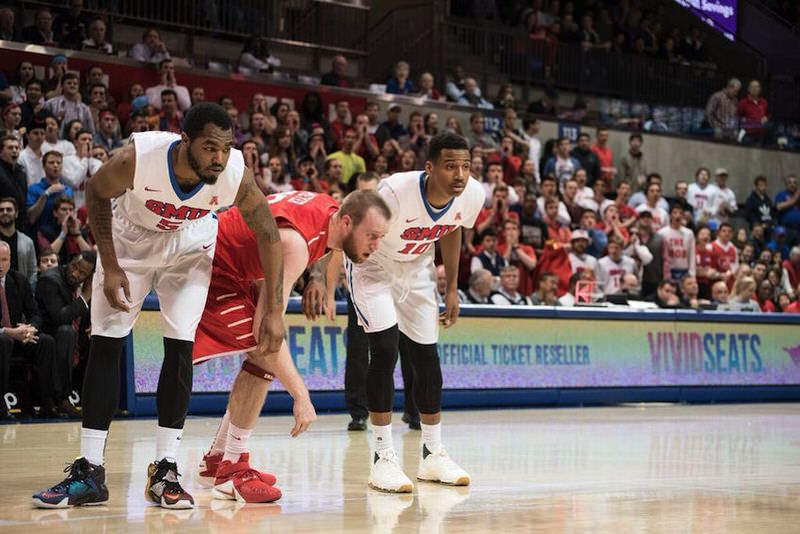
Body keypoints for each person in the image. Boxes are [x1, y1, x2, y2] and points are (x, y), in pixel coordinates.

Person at [32, 103, 286, 509]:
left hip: (190, 246)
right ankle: (90, 470)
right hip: (130, 243)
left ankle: (165, 470)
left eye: (224, 148)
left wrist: (274, 310)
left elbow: (270, 236)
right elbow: (96, 192)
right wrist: (109, 264)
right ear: (184, 141)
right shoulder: (140, 158)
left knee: (180, 346)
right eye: (208, 148)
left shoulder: (234, 173)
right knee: (107, 342)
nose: (218, 158)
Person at [193, 189, 390, 502]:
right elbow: (266, 335)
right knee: (263, 350)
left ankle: (218, 458)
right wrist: (301, 395)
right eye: (373, 236)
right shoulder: (298, 245)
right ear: (347, 222)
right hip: (210, 267)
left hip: (227, 252)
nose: (376, 246)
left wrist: (321, 278)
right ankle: (231, 467)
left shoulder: (329, 208)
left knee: (264, 351)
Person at [342, 132, 483, 492]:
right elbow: (349, 222)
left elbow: (451, 229)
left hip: (418, 267)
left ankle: (433, 454)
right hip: (372, 265)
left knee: (427, 358)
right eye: (450, 166)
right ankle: (382, 457)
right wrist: (329, 277)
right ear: (430, 167)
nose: (460, 175)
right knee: (385, 349)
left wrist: (451, 287)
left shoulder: (472, 195)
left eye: (466, 167)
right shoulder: (394, 192)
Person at [0, 241, 61, 419]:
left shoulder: (19, 280)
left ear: (10, 261)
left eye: (3, 259)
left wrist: (29, 329)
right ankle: (1, 406)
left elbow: (35, 313)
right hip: (3, 337)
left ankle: (47, 402)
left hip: (20, 337)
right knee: (2, 341)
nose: (0, 264)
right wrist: (8, 332)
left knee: (46, 342)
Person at [35, 251, 96, 417]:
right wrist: (85, 297)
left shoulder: (93, 283)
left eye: (82, 273)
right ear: (70, 261)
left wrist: (97, 324)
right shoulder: (50, 279)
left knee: (104, 337)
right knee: (66, 332)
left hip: (77, 336)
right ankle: (62, 398)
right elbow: (60, 317)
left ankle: (100, 402)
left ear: (90, 276)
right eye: (74, 267)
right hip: (50, 334)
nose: (75, 273)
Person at [27, 151, 75, 234]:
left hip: (64, 236)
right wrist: (46, 194)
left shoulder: (68, 190)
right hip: (40, 237)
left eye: (58, 163)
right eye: (51, 162)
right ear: (44, 166)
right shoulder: (33, 189)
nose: (55, 165)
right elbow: (31, 218)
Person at [0, 197, 36, 283]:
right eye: (1, 210)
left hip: (21, 291)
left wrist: (29, 292)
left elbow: (32, 272)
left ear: (16, 213)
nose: (5, 212)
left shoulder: (28, 242)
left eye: (9, 210)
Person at [658, 204, 696, 281]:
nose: (677, 215)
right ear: (670, 216)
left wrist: (692, 274)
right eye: (675, 213)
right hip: (668, 270)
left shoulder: (689, 233)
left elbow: (692, 254)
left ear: (683, 216)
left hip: (684, 270)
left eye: (680, 213)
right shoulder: (662, 233)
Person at [0, 136, 28, 231]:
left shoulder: (22, 173)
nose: (14, 150)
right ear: (0, 152)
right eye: (10, 148)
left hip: (19, 225)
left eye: (17, 148)